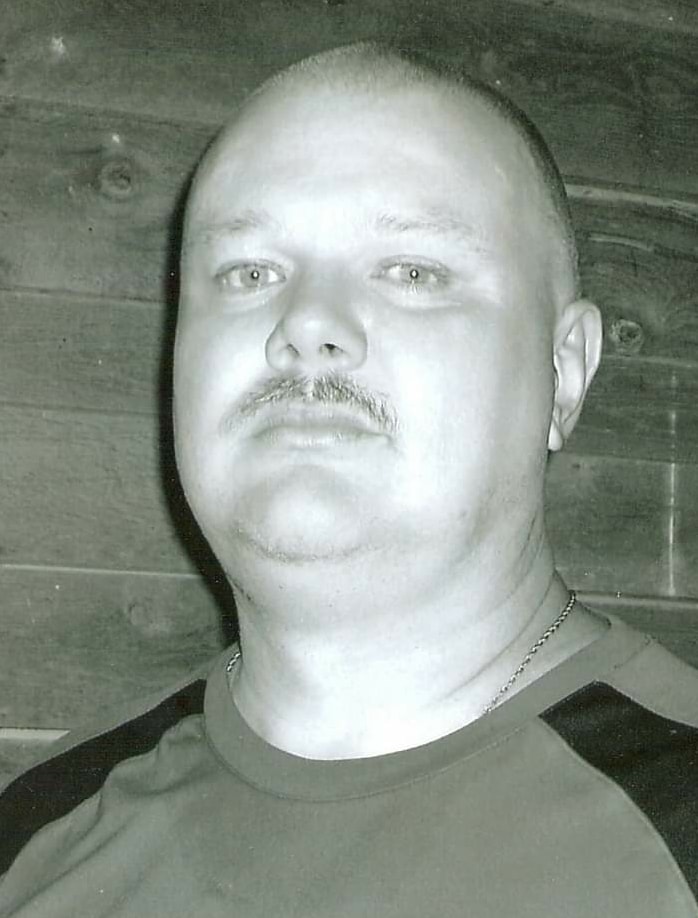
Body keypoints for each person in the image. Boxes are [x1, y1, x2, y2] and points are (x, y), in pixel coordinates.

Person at [1, 41, 697, 917]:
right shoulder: (32, 841)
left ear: (564, 373)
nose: (306, 322)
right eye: (250, 272)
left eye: (412, 272)